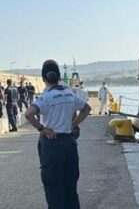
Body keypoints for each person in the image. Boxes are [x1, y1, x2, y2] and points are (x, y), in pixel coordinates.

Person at [25, 60, 91, 209]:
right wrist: (74, 124)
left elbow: (28, 114)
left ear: (43, 79)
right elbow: (86, 108)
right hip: (69, 143)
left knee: (54, 190)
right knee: (70, 189)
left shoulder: (45, 98)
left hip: (51, 144)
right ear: (59, 76)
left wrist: (42, 129)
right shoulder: (68, 94)